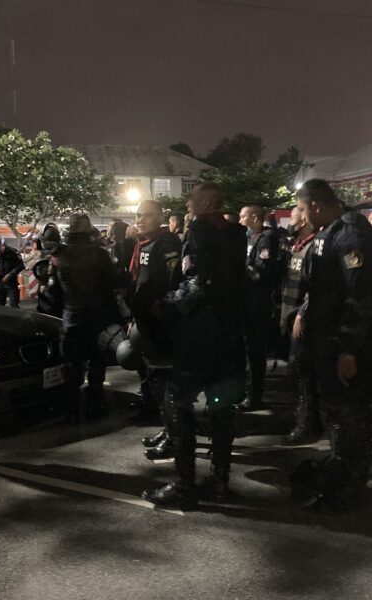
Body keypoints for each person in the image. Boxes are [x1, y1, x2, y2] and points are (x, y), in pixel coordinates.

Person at [142, 183, 247, 509]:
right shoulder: (237, 234)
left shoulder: (200, 230)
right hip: (230, 335)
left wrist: (167, 304)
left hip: (200, 338)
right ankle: (219, 481)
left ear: (207, 202)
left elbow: (197, 284)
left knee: (179, 404)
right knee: (222, 409)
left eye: (192, 200)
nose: (188, 205)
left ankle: (185, 485)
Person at [288, 179, 372, 511]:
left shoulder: (351, 234)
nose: (300, 216)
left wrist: (349, 348)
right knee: (335, 411)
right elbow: (321, 287)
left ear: (315, 205)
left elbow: (359, 294)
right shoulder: (330, 232)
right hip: (326, 339)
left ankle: (351, 481)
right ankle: (340, 467)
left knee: (348, 411)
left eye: (301, 209)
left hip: (341, 342)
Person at [129, 200, 183, 459]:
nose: (140, 220)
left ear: (160, 217)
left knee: (166, 382)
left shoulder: (167, 243)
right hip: (146, 324)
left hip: (162, 326)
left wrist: (162, 309)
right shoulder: (144, 244)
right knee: (156, 381)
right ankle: (168, 429)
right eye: (138, 215)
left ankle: (176, 438)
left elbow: (174, 281)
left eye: (146, 215)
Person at [52, 214, 120, 421]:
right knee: (97, 364)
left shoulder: (59, 254)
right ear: (88, 229)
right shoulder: (100, 254)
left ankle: (72, 408)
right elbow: (112, 283)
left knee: (72, 365)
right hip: (98, 315)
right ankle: (95, 405)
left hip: (72, 316)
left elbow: (55, 291)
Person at [280, 202, 322, 445]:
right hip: (290, 313)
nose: (291, 223)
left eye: (294, 218)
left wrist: (302, 314)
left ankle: (307, 424)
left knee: (302, 372)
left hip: (302, 318)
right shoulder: (299, 245)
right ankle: (304, 418)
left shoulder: (314, 246)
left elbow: (316, 286)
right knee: (297, 372)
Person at [238, 204, 281, 411]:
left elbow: (261, 272)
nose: (240, 220)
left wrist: (240, 266)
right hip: (247, 301)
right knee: (248, 349)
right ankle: (248, 391)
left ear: (255, 218)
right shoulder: (251, 238)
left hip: (258, 302)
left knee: (255, 351)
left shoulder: (266, 239)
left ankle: (255, 395)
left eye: (243, 216)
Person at [0, 239, 25, 308]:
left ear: (1, 246)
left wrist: (9, 275)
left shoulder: (13, 252)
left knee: (14, 304)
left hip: (11, 282)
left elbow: (21, 266)